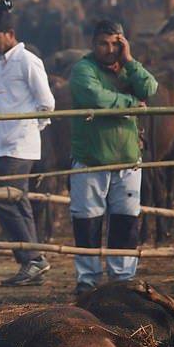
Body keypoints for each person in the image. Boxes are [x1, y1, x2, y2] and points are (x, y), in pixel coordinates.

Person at [69, 19, 157, 294]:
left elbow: (150, 89)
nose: (109, 49)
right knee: (87, 221)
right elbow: (97, 98)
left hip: (128, 158)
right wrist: (132, 104)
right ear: (93, 44)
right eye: (103, 43)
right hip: (91, 159)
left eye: (115, 43)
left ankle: (123, 279)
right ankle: (88, 280)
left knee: (126, 220)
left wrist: (129, 59)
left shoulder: (128, 70)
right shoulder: (83, 70)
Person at [0, 5, 56, 286]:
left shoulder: (27, 60)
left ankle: (33, 259)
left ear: (9, 34)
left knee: (3, 198)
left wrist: (28, 128)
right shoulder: (2, 64)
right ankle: (33, 261)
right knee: (18, 202)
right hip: (4, 144)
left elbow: (47, 103)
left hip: (19, 146)